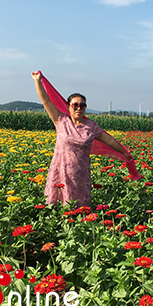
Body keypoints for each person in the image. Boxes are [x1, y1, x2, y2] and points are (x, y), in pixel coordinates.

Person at [32, 71, 134, 208]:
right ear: (69, 106)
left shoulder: (91, 127)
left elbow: (109, 140)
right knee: (58, 206)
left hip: (81, 173)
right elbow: (46, 101)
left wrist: (124, 153)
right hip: (61, 171)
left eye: (82, 105)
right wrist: (37, 81)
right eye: (75, 105)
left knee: (80, 207)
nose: (79, 108)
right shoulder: (61, 120)